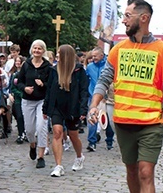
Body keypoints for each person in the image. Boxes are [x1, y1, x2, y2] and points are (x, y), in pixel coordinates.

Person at [88, 0, 163, 193]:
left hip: (151, 123)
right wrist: (94, 105)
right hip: (124, 120)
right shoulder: (118, 50)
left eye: (128, 15)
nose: (124, 20)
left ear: (143, 18)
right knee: (131, 170)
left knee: (145, 171)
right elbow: (104, 79)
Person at [42, 45, 88, 177]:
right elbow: (49, 90)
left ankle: (79, 156)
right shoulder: (54, 70)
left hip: (73, 107)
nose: (57, 57)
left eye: (59, 54)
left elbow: (84, 91)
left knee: (73, 136)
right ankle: (58, 166)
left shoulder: (79, 71)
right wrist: (45, 108)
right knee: (57, 133)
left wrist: (83, 109)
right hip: (57, 106)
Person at [16, 39, 52, 169]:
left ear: (43, 51)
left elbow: (52, 85)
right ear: (32, 50)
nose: (37, 51)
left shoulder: (47, 66)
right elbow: (19, 82)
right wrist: (25, 88)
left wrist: (43, 84)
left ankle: (41, 156)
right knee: (30, 130)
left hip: (42, 101)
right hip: (27, 100)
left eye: (39, 49)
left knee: (41, 127)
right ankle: (32, 145)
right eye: (35, 48)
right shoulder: (26, 65)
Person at [86, 47, 114, 151]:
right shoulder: (89, 67)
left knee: (108, 120)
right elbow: (86, 80)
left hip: (107, 97)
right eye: (92, 56)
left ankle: (109, 140)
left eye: (95, 56)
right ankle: (92, 142)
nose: (93, 58)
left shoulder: (109, 65)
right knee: (92, 120)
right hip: (93, 96)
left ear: (102, 55)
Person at [8, 56, 26, 144]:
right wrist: (20, 94)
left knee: (26, 117)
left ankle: (25, 132)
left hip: (27, 99)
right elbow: (12, 88)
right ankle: (20, 133)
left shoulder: (27, 75)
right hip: (18, 100)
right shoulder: (15, 75)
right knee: (19, 116)